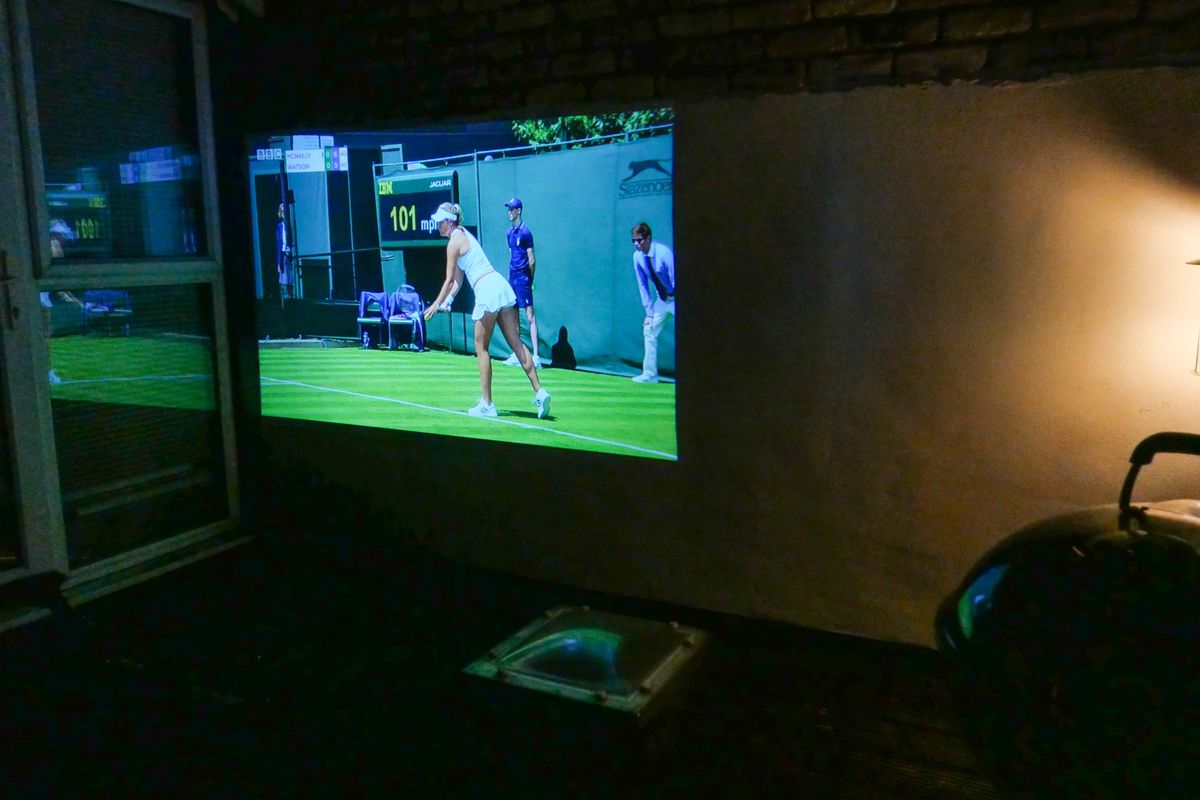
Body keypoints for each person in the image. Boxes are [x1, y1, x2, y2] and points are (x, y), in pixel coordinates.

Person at [423, 202, 551, 419]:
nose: (437, 226)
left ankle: (487, 404)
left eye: (439, 222)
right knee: (517, 344)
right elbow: (459, 280)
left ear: (448, 222)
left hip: (487, 291)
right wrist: (449, 300)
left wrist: (436, 303)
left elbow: (449, 279)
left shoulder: (453, 242)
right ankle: (540, 392)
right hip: (499, 285)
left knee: (481, 348)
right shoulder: (463, 234)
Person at [630, 221, 675, 383]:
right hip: (662, 301)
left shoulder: (664, 253)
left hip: (677, 299)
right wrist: (649, 312)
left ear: (648, 238)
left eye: (640, 240)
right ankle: (649, 375)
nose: (637, 244)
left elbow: (675, 278)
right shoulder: (637, 257)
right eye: (634, 240)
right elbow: (642, 284)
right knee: (648, 330)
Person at [500, 197, 541, 367]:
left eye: (512, 209)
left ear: (519, 211)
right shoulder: (509, 233)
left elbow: (531, 260)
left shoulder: (526, 232)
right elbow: (511, 254)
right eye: (508, 209)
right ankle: (517, 354)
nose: (509, 212)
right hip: (513, 277)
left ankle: (536, 357)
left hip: (524, 277)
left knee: (530, 316)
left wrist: (530, 279)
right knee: (513, 315)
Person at [275, 202, 292, 302]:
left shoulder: (290, 224)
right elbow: (279, 244)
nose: (283, 212)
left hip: (291, 255)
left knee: (291, 281)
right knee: (285, 281)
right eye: (282, 210)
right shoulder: (279, 226)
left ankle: (291, 299)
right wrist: (278, 263)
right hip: (284, 256)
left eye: (284, 210)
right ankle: (287, 302)